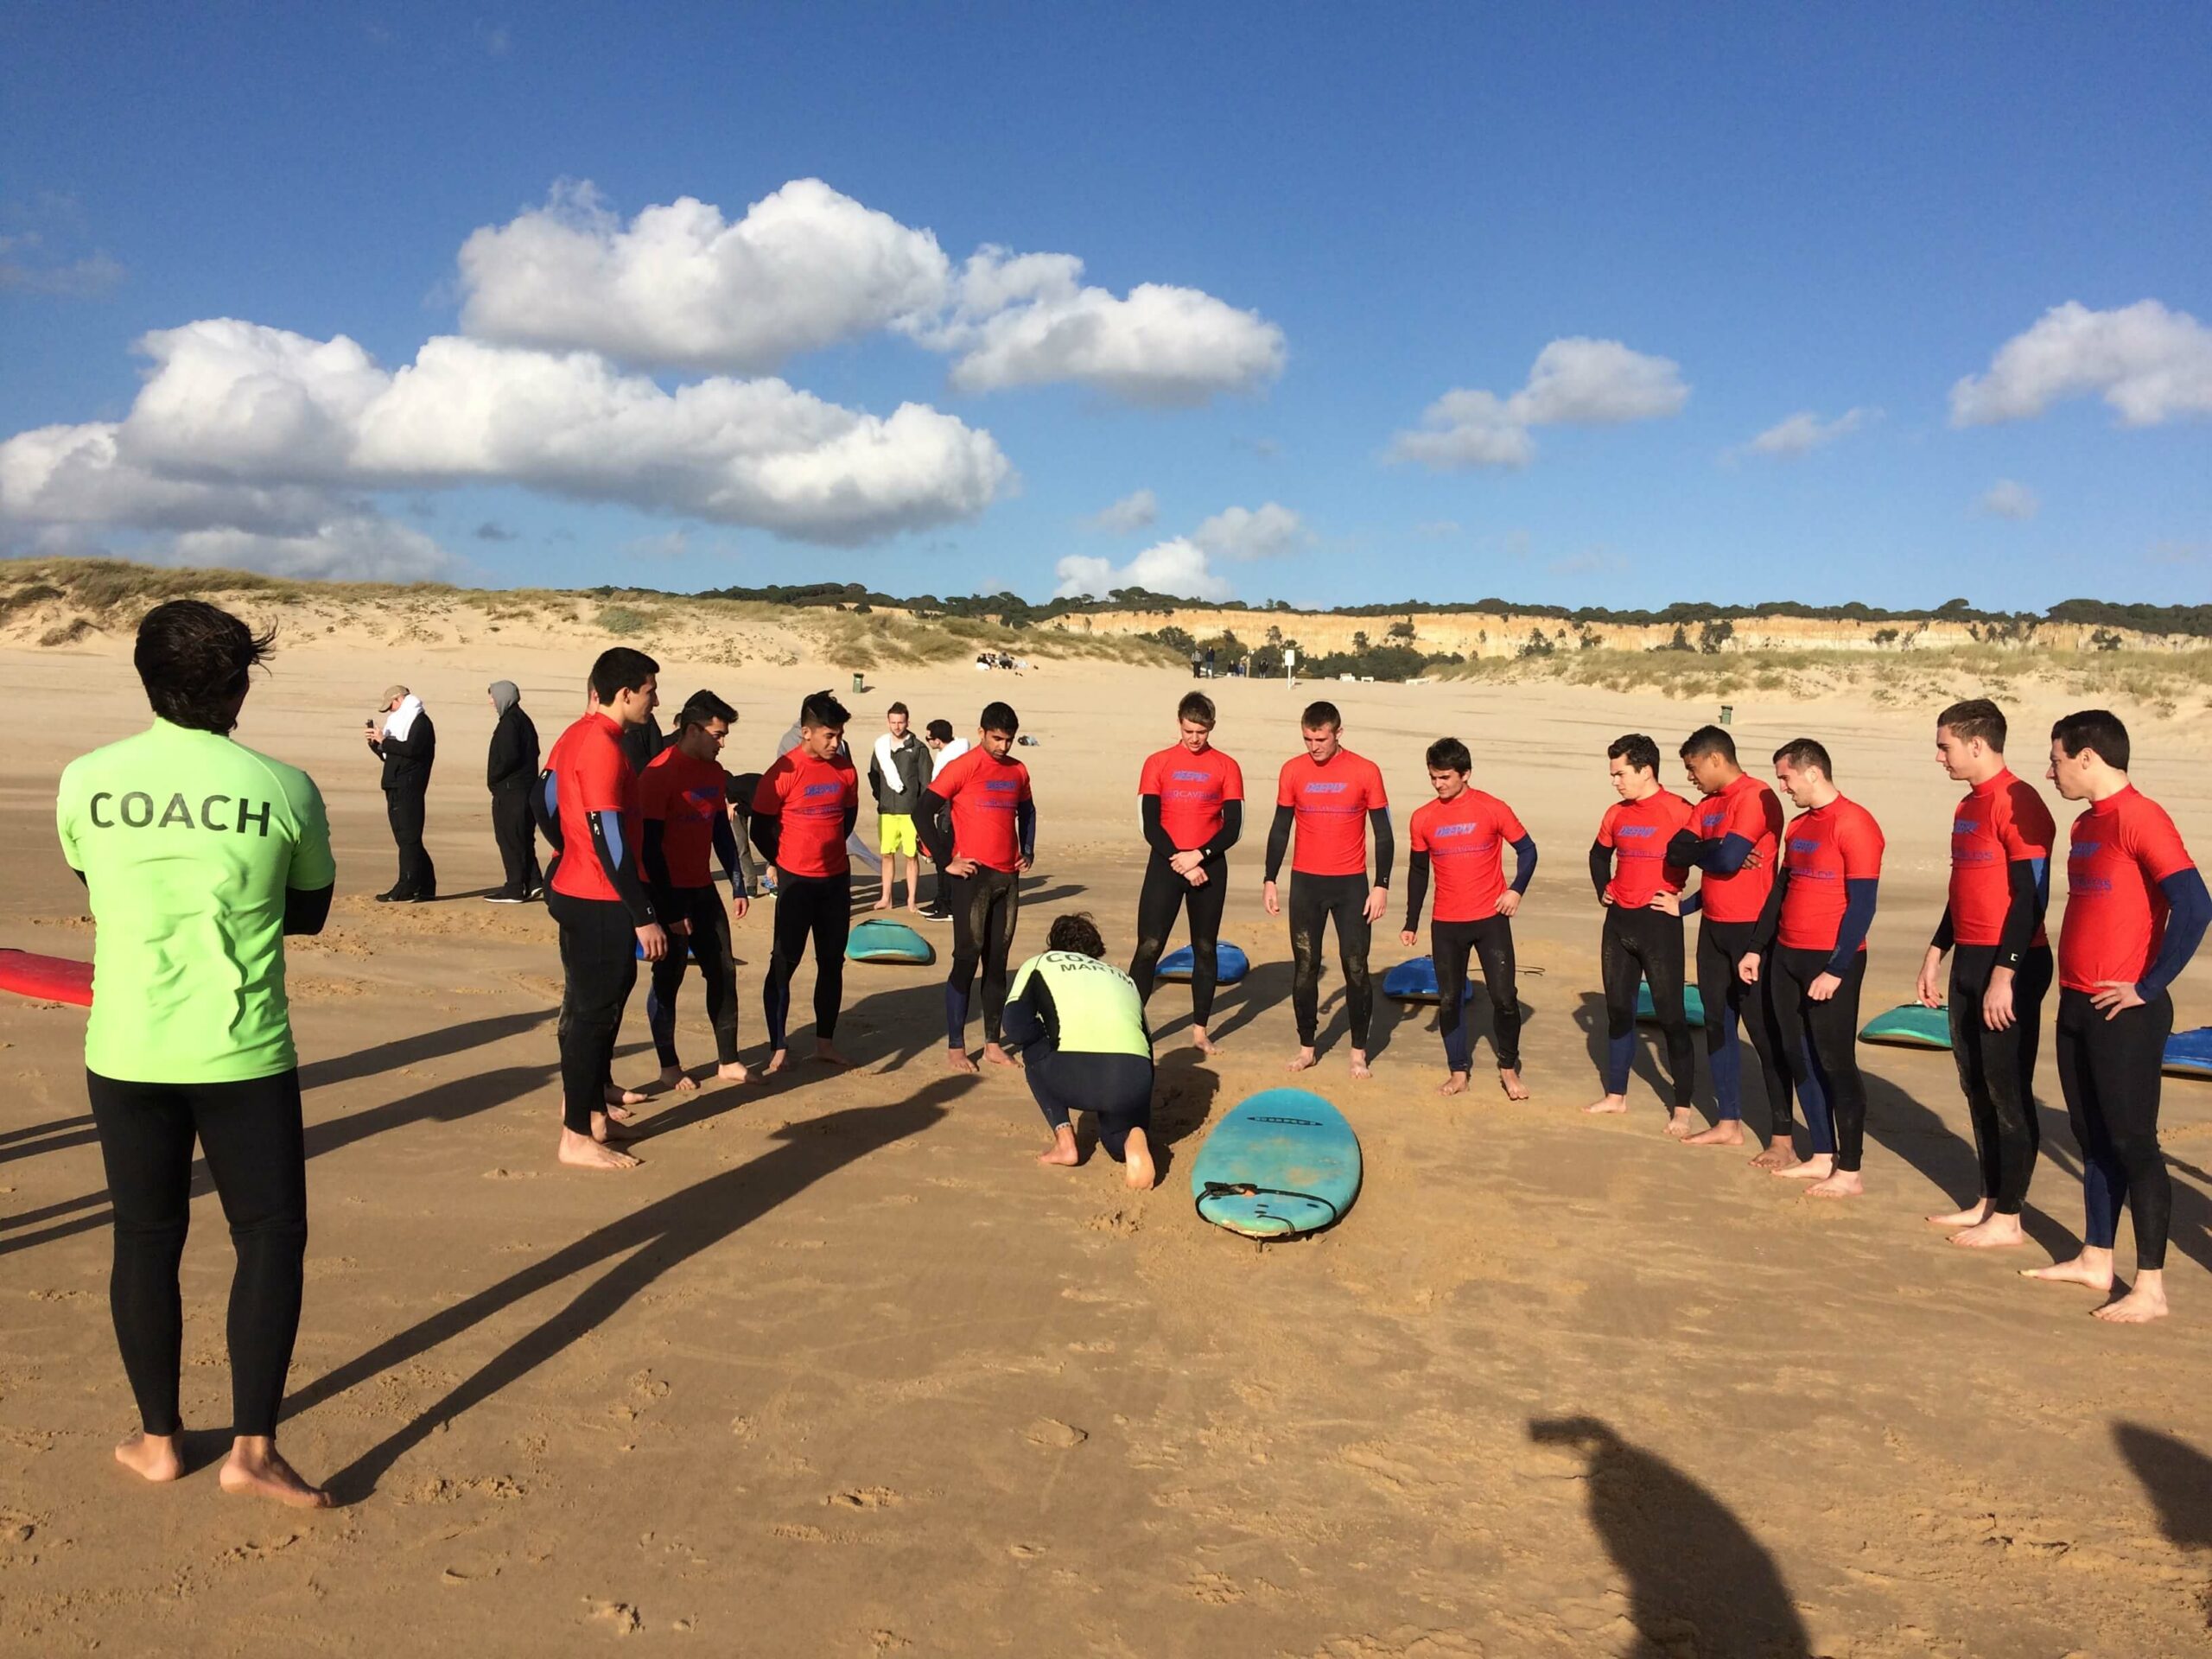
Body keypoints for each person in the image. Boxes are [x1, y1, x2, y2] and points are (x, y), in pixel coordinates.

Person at [56, 600, 336, 1507]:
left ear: (146, 680)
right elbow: (308, 911)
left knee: (145, 1236)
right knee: (268, 1239)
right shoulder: (285, 787)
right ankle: (251, 1450)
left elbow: (94, 881)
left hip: (128, 1044)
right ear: (240, 686)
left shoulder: (85, 780)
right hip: (243, 1051)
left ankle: (158, 1440)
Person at [2024, 710, 2209, 1322]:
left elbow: (2194, 904)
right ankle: (2095, 1257)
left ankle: (2151, 1287)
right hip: (2077, 1002)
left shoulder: (2140, 816)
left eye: (2055, 759)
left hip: (2125, 1011)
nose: (2050, 771)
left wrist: (2149, 986)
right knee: (2091, 1137)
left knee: (2135, 1144)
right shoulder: (2085, 825)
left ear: (2087, 756)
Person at [1915, 700, 2056, 1247]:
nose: (1939, 756)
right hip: (1970, 956)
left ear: (1978, 744)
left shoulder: (2019, 801)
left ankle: (2011, 1218)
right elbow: (1964, 891)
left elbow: (2031, 898)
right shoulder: (1967, 807)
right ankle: (1990, 1199)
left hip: (2013, 960)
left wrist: (2006, 973)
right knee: (1974, 1084)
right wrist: (1936, 950)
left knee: (2006, 1088)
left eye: (1945, 745)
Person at [1741, 739, 1885, 1198]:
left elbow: (1863, 904)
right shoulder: (1799, 827)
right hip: (1786, 957)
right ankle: (1822, 1153)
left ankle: (1850, 1169)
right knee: (1796, 1055)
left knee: (1836, 1063)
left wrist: (1838, 968)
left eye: (1786, 777)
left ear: (1812, 773)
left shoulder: (1855, 823)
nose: (1783, 786)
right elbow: (1781, 890)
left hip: (1831, 961)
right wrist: (1756, 948)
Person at [545, 647, 667, 1171]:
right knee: (593, 1016)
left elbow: (543, 800)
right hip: (600, 899)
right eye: (650, 691)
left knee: (596, 1007)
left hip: (579, 888)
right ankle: (575, 1135)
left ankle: (593, 1115)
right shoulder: (601, 746)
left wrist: (562, 848)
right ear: (625, 694)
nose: (655, 702)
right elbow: (607, 836)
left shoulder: (575, 733)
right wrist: (643, 914)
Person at [1667, 725, 1801, 1164]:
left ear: (1715, 760)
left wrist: (1713, 850)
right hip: (1713, 928)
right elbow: (1675, 850)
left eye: (1693, 768)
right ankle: (1729, 1124)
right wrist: (1714, 847)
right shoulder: (1707, 806)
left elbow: (1725, 859)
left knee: (1764, 1034)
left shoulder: (1756, 797)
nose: (1690, 777)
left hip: (1753, 932)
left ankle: (1783, 1138)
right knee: (1717, 1025)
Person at [1400, 736, 1536, 1098]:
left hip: (1489, 919)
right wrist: (1411, 921)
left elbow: (1528, 850)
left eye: (1445, 777)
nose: (1438, 784)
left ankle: (1508, 1068)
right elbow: (1418, 872)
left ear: (1466, 774)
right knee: (1449, 999)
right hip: (1446, 923)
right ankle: (1458, 1071)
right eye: (1433, 777)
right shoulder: (1423, 817)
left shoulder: (1492, 808)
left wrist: (1516, 889)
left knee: (1505, 997)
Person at [1262, 701, 1391, 1078]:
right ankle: (1307, 1047)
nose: (1314, 746)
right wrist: (1270, 878)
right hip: (1305, 883)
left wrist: (1381, 885)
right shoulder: (1292, 770)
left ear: (1338, 733)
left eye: (1321, 738)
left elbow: (1383, 834)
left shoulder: (1365, 771)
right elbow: (1280, 828)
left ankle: (1358, 1051)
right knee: (1305, 966)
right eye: (1307, 738)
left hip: (1352, 884)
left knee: (1356, 967)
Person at [640, 691, 752, 1091]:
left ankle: (728, 1060)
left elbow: (720, 830)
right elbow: (649, 849)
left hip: (703, 888)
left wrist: (738, 881)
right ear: (692, 730)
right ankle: (669, 1066)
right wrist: (668, 910)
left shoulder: (714, 772)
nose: (723, 742)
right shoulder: (659, 773)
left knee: (722, 971)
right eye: (718, 735)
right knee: (667, 978)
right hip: (667, 891)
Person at [1585, 735, 1697, 1130]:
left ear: (1646, 770)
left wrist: (1685, 905)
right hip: (1619, 924)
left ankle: (1681, 1107)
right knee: (1617, 1012)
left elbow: (1719, 860)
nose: (1615, 781)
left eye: (1620, 773)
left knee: (1671, 1016)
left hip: (1659, 924)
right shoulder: (1616, 813)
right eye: (1612, 774)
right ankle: (1616, 1096)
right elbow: (1599, 855)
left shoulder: (1681, 811)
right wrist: (1604, 887)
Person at [921, 701, 1035, 1072]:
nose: (1003, 747)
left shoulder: (1018, 770)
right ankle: (956, 1046)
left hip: (1007, 878)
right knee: (967, 958)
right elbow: (922, 812)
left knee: (998, 963)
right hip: (972, 877)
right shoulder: (964, 766)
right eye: (997, 739)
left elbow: (1028, 811)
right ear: (982, 732)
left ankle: (991, 1043)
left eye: (1010, 740)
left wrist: (1028, 849)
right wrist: (945, 862)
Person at [1127, 692, 1244, 1055]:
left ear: (1212, 727)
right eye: (1189, 730)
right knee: (1148, 947)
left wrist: (1199, 856)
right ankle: (1129, 1024)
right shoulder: (1157, 762)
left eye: (1202, 731)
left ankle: (1199, 1030)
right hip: (1166, 865)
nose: (1195, 738)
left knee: (1205, 949)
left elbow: (1233, 827)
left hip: (1208, 868)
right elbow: (1149, 824)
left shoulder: (1227, 766)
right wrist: (1180, 860)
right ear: (1179, 723)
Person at [751, 690, 861, 1074]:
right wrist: (781, 861)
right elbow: (760, 828)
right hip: (797, 881)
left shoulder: (846, 770)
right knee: (784, 963)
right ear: (806, 732)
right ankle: (778, 1045)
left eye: (840, 735)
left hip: (835, 881)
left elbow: (847, 819)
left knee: (832, 963)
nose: (836, 743)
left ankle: (825, 1043)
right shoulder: (783, 771)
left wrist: (827, 851)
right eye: (829, 735)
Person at [1005, 912, 1158, 1190]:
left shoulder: (1039, 963)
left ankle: (1065, 1143)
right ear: (1096, 949)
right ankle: (1133, 1136)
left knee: (1034, 1049)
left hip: (1075, 1073)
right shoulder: (1124, 978)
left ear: (1054, 944)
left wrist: (1048, 1035)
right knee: (1115, 1139)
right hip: (1134, 1077)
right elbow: (1148, 1045)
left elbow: (1015, 1027)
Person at [364, 682, 435, 901]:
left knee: (408, 838)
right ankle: (424, 885)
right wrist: (376, 745)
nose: (390, 711)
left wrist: (384, 741)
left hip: (409, 786)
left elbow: (412, 750)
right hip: (397, 784)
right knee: (408, 838)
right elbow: (393, 756)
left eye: (391, 706)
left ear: (399, 700)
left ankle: (407, 885)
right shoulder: (401, 722)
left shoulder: (420, 723)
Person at [868, 702, 930, 914]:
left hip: (910, 811)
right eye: (893, 722)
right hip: (886, 811)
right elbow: (874, 775)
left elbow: (926, 782)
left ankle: (912, 899)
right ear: (888, 722)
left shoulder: (918, 748)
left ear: (907, 722)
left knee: (911, 856)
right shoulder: (880, 747)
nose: (896, 726)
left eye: (900, 722)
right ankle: (886, 897)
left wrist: (921, 810)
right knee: (886, 854)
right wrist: (881, 797)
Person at [484, 680, 542, 903]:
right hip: (523, 790)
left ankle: (515, 887)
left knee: (510, 839)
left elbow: (508, 757)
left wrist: (494, 778)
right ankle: (535, 882)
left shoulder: (511, 722)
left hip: (512, 792)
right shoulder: (521, 720)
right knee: (523, 838)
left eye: (493, 697)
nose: (491, 702)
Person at [918, 717, 971, 921]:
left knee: (944, 856)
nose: (929, 742)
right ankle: (940, 901)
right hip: (946, 809)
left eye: (928, 738)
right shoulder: (958, 749)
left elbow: (939, 787)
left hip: (949, 809)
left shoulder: (948, 758)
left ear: (937, 740)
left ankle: (948, 906)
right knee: (941, 856)